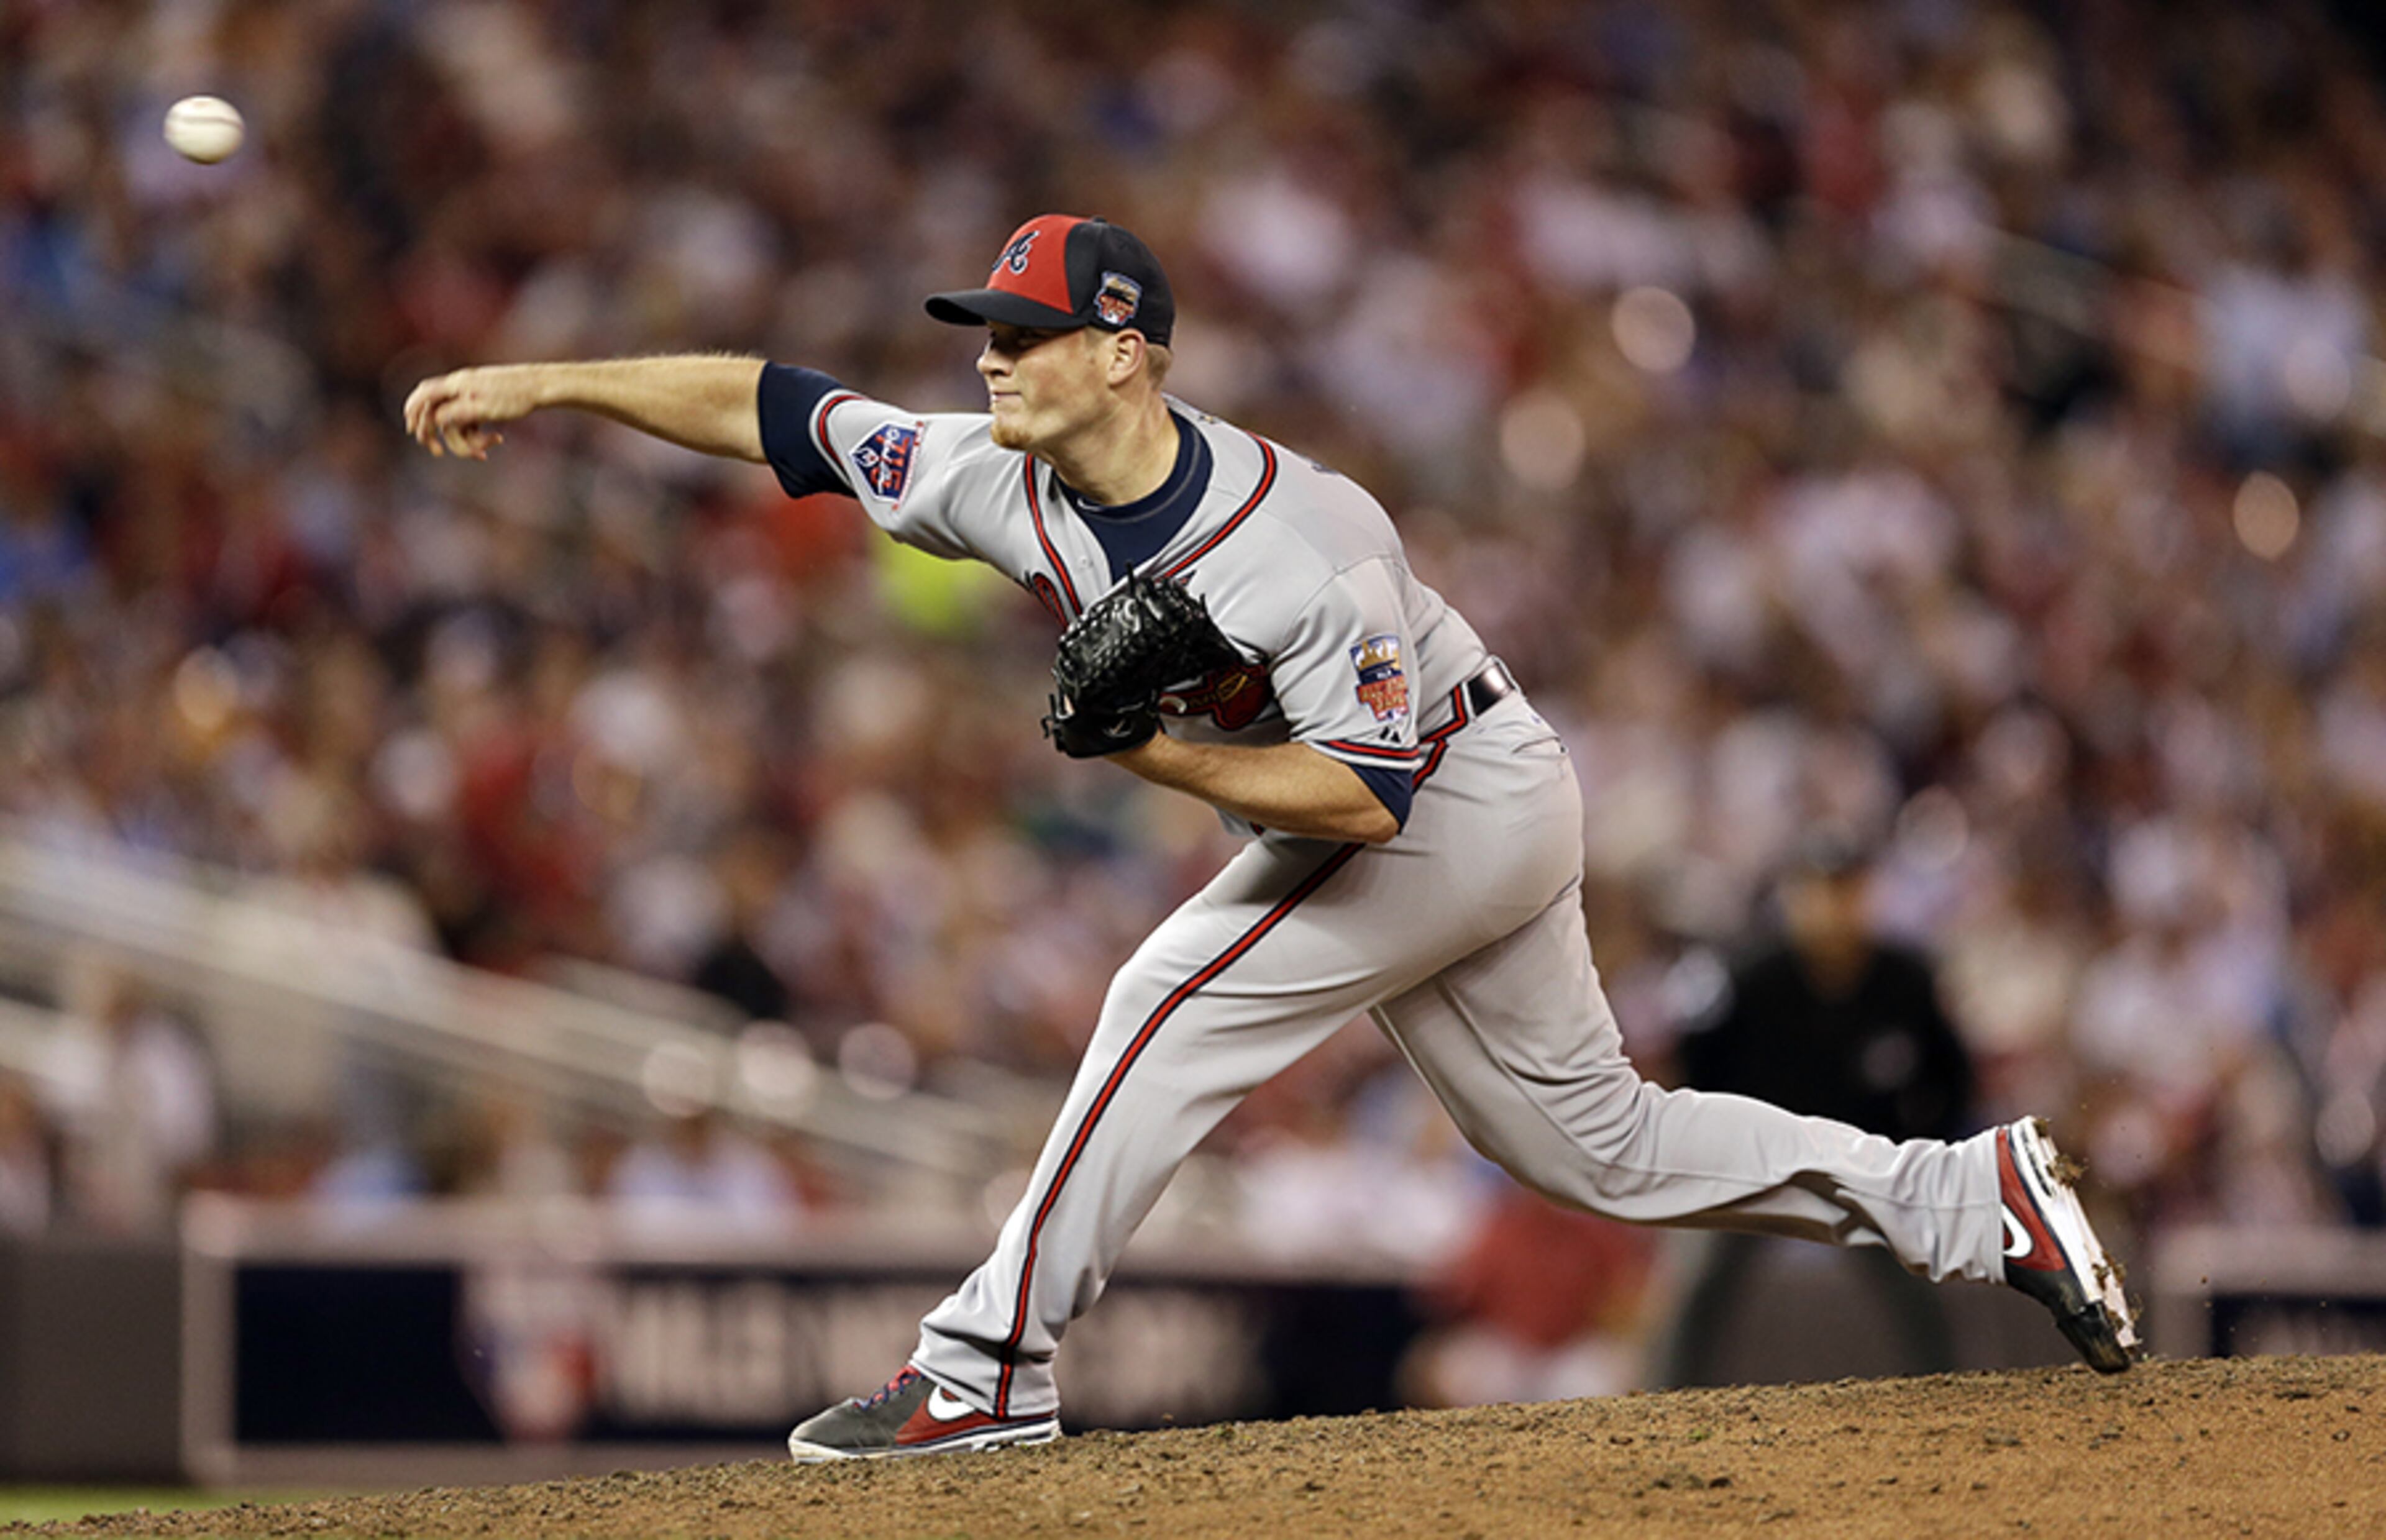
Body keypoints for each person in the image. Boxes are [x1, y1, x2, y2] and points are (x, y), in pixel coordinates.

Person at [404, 214, 2138, 1461]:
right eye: (982, 329)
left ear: (1129, 350)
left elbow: (1362, 799)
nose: (987, 356)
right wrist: (551, 384)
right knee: (1594, 1143)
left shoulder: (1296, 540)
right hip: (1412, 790)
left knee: (1172, 987)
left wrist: (1148, 755)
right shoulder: (984, 468)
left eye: (1022, 331)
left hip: (1455, 785)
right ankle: (1967, 1196)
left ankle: (987, 1359)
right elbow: (774, 407)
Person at [1666, 836, 1980, 1384]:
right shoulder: (1751, 978)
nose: (1833, 906)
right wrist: (1720, 1147)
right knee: (1699, 1280)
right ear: (1794, 899)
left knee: (1918, 1276)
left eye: (1846, 890)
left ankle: (1946, 1391)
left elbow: (1953, 1076)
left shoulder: (1905, 980)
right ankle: (1667, 1399)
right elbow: (1693, 1065)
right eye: (1819, 891)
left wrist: (1920, 1150)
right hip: (1758, 1162)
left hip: (1862, 1161)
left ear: (1867, 895)